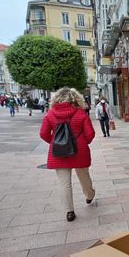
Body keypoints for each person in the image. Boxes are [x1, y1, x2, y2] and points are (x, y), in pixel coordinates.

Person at [39, 87, 96, 222]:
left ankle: (69, 211)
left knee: (64, 183)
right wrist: (82, 142)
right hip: (79, 151)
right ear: (75, 98)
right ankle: (89, 195)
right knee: (84, 175)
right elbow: (90, 134)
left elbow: (43, 133)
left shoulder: (50, 114)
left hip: (59, 153)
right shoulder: (81, 113)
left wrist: (55, 142)